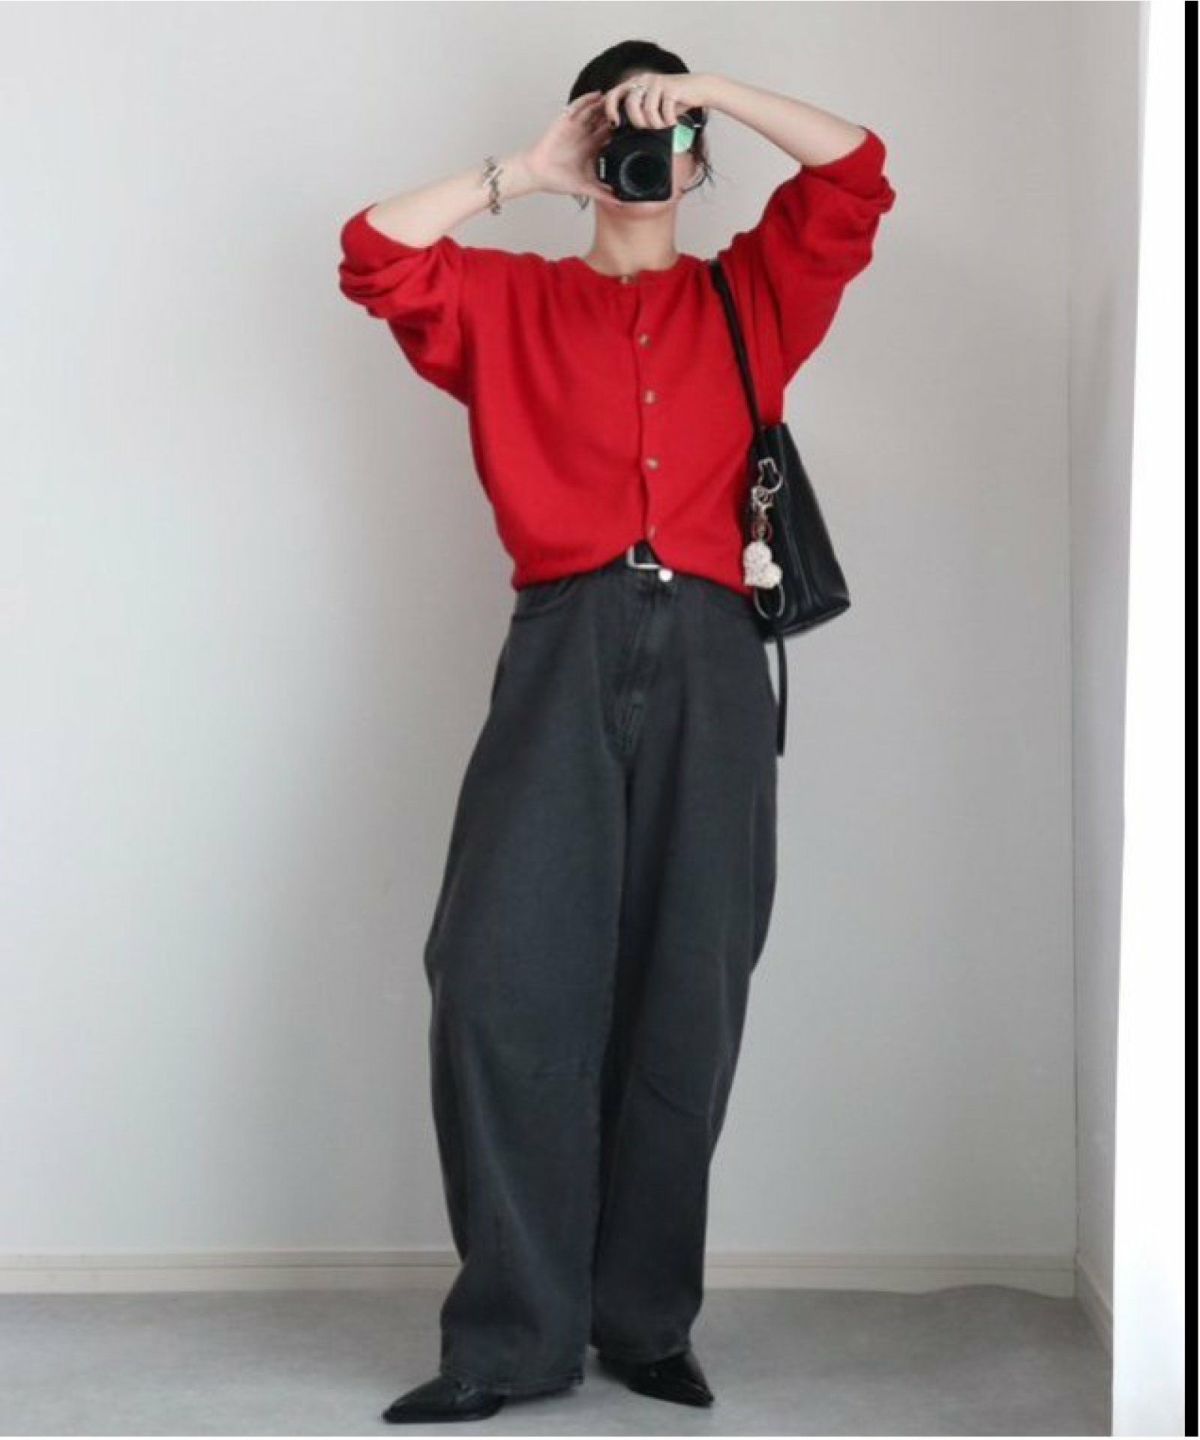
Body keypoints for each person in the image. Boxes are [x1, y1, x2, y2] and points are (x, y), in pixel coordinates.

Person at [337, 39, 896, 1424]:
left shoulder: (752, 297)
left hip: (714, 654)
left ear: (698, 164)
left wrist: (711, 95)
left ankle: (645, 1321)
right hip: (562, 643)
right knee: (495, 980)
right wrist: (528, 170)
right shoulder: (512, 303)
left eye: (667, 137)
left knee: (686, 989)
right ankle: (514, 1337)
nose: (645, 156)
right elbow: (373, 254)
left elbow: (857, 174)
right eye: (623, 133)